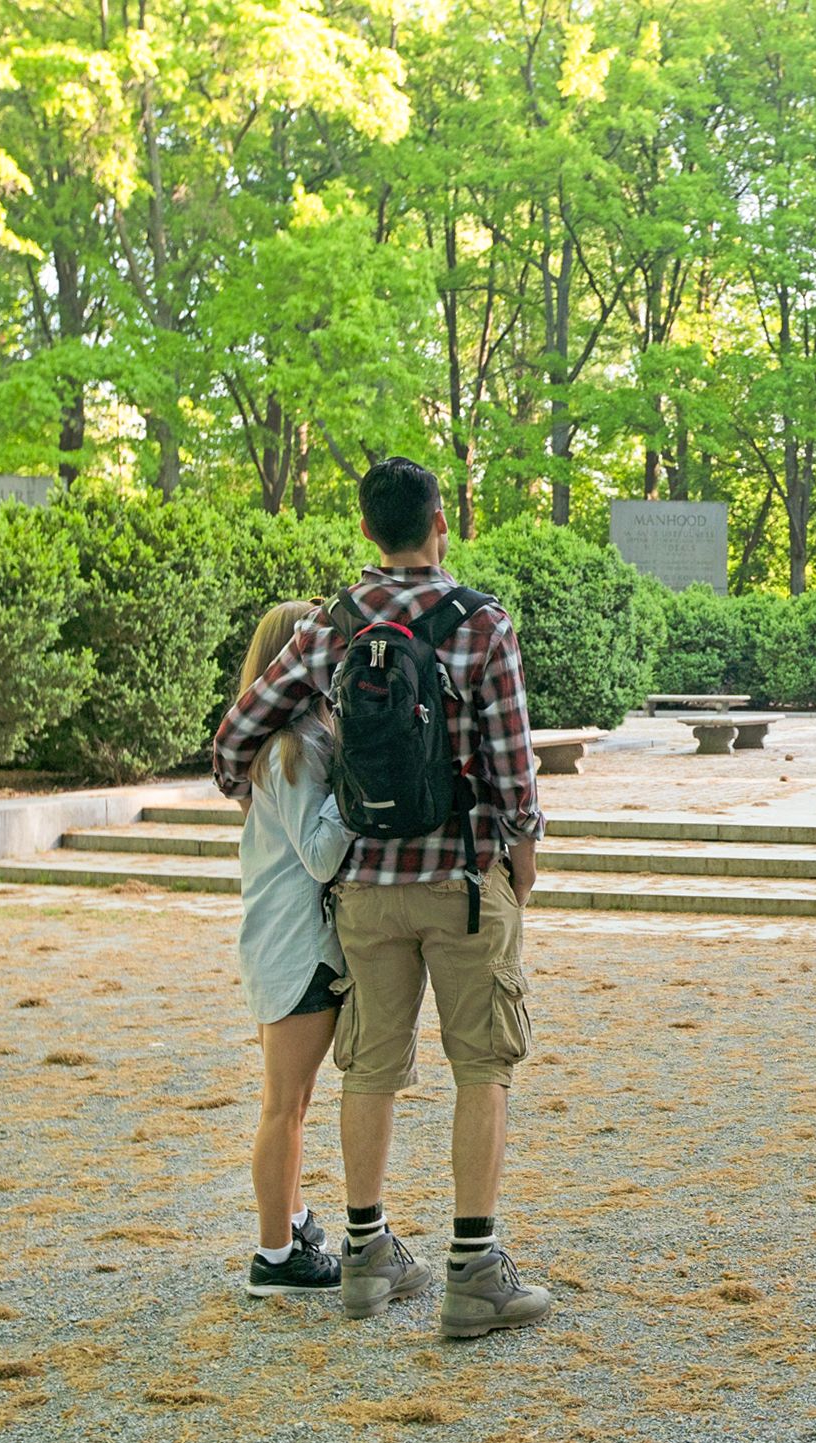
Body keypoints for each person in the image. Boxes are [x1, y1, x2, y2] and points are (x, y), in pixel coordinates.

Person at [213, 456, 551, 1339]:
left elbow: (236, 736)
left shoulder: (331, 625)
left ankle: (365, 1260)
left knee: (371, 1071)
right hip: (463, 879)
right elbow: (515, 771)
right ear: (443, 521)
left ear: (366, 530)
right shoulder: (483, 624)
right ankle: (472, 1272)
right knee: (482, 1065)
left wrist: (253, 792)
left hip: (364, 888)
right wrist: (524, 856)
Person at [233, 600, 354, 1298]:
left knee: (291, 1099)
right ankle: (275, 1256)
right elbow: (318, 854)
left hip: (279, 942)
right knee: (284, 1105)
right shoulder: (296, 749)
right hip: (297, 948)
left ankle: (291, 1215)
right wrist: (355, 789)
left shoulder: (275, 745)